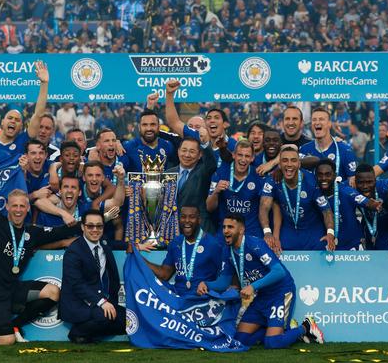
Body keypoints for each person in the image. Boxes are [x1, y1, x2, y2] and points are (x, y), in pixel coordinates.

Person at [0, 144, 79, 345]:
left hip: (12, 289)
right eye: (15, 206)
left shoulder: (32, 232)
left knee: (53, 292)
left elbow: (65, 230)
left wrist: (100, 219)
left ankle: (16, 325)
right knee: (5, 341)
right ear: (8, 207)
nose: (18, 210)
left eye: (22, 206)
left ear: (28, 208)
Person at [197, 214, 324, 349]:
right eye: (224, 227)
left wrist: (252, 286)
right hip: (262, 296)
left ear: (241, 230)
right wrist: (206, 284)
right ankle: (280, 329)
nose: (226, 231)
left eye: (230, 227)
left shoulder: (255, 245)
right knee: (240, 341)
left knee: (272, 343)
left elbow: (278, 272)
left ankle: (305, 327)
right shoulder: (227, 251)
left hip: (280, 292)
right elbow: (223, 282)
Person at [59, 209, 126, 344]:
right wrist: (102, 303)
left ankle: (91, 332)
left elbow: (115, 244)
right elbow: (77, 285)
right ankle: (77, 333)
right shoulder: (73, 252)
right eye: (90, 226)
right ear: (83, 227)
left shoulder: (104, 244)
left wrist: (135, 246)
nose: (95, 230)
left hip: (101, 300)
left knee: (128, 320)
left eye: (99, 226)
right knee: (105, 317)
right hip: (79, 304)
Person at [260, 146, 335, 252]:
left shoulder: (312, 182)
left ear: (299, 164)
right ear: (279, 165)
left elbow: (326, 211)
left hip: (312, 232)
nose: (289, 164)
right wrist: (267, 232)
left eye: (293, 160)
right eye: (285, 161)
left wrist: (330, 233)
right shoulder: (272, 180)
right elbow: (264, 207)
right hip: (288, 233)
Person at [140, 205, 224, 298]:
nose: (187, 220)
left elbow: (223, 278)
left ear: (199, 220)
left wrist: (208, 286)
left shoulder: (213, 244)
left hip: (201, 299)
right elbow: (165, 274)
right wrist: (140, 259)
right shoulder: (176, 242)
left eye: (192, 217)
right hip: (178, 297)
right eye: (183, 217)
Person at [315, 159, 381, 250]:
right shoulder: (313, 194)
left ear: (334, 175)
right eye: (320, 175)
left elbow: (363, 200)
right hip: (326, 244)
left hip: (352, 246)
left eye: (328, 174)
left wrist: (373, 204)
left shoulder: (345, 191)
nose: (324, 178)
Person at [0, 60, 50, 157]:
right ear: (2, 122)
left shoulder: (23, 140)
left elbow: (39, 114)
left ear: (21, 126)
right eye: (10, 118)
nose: (13, 121)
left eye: (17, 120)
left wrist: (44, 83)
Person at [207, 140, 265, 237]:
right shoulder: (220, 173)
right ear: (233, 155)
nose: (243, 159)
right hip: (226, 231)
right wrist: (216, 192)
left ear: (252, 158)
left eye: (247, 156)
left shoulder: (258, 176)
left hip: (251, 232)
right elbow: (209, 207)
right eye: (240, 155)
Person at [169, 136, 217, 234]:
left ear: (200, 155)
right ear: (178, 151)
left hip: (199, 231)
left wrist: (205, 143)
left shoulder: (204, 172)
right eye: (184, 150)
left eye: (192, 151)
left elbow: (211, 163)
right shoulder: (167, 174)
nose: (187, 155)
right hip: (172, 231)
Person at [300, 108, 358, 182]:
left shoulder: (345, 150)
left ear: (329, 124)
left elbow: (352, 182)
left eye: (321, 119)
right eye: (314, 120)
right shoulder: (304, 149)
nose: (317, 122)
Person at [122, 109, 176, 173]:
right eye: (145, 125)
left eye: (152, 124)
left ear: (159, 127)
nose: (149, 128)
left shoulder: (168, 146)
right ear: (139, 127)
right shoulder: (128, 147)